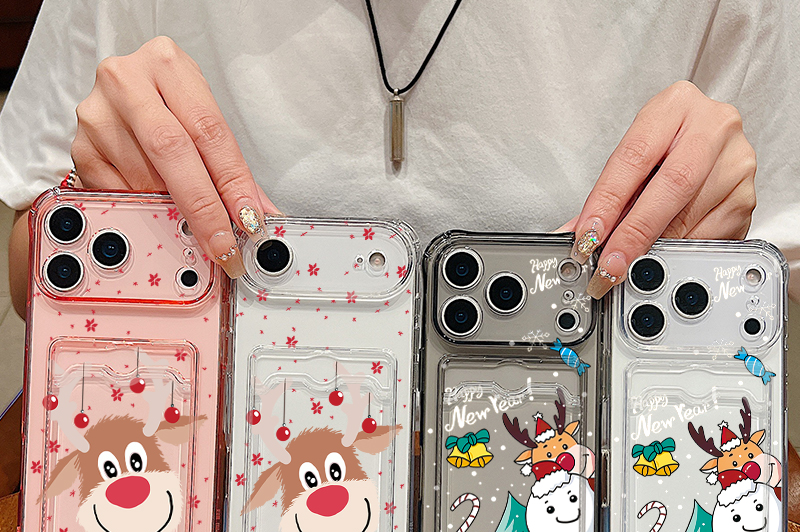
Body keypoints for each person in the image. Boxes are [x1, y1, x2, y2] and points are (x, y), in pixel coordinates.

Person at [1, 0, 799, 307]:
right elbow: (25, 278)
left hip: (588, 501)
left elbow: (780, 286)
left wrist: (718, 256)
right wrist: (95, 214)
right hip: (214, 492)